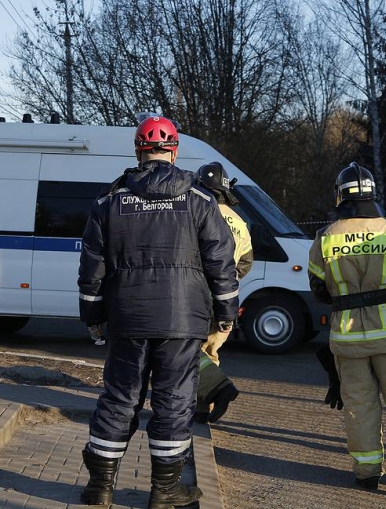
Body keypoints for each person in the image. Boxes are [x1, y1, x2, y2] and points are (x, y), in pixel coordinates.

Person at [77, 116, 239, 509]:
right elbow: (221, 261)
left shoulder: (108, 201)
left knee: (119, 398)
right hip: (182, 321)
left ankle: (100, 487)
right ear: (175, 150)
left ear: (137, 150)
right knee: (173, 401)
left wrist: (93, 317)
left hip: (126, 318)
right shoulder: (201, 201)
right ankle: (165, 491)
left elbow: (91, 268)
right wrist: (225, 313)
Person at [307, 162, 386, 491]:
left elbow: (320, 292)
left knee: (359, 404)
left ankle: (367, 473)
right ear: (373, 193)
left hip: (347, 338)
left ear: (340, 195)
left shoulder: (325, 237)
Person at [192, 161, 254, 424]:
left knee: (181, 351)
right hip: (225, 300)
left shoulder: (195, 210)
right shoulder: (241, 223)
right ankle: (202, 410)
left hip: (194, 295)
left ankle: (213, 394)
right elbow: (245, 263)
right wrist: (227, 282)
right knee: (209, 353)